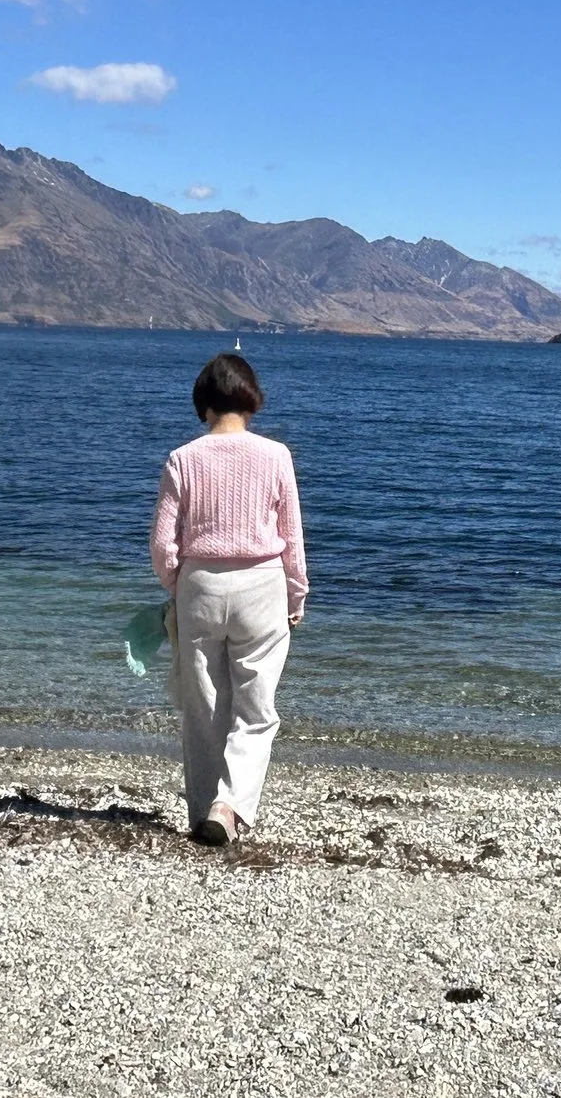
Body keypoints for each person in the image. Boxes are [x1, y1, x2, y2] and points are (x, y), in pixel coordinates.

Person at [150, 351, 308, 846]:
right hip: (262, 586)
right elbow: (293, 537)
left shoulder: (183, 458)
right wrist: (296, 595)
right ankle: (230, 803)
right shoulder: (276, 455)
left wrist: (176, 586)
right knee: (256, 709)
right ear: (251, 401)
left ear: (204, 405)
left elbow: (162, 543)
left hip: (200, 583)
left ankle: (202, 811)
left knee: (203, 706)